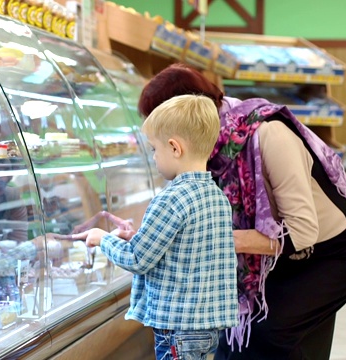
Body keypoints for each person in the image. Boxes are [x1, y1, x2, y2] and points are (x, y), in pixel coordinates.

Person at [138, 63, 346, 359]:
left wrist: (223, 238)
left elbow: (302, 230)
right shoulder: (206, 151)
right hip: (279, 255)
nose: (161, 148)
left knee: (269, 335)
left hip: (334, 252)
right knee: (234, 341)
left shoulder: (268, 134)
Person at [71, 95, 239, 360]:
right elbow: (186, 247)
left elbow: (137, 259)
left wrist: (102, 238)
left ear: (174, 148)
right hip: (206, 328)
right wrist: (138, 236)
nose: (153, 157)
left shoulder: (170, 198)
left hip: (177, 330)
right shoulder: (216, 195)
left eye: (154, 149)